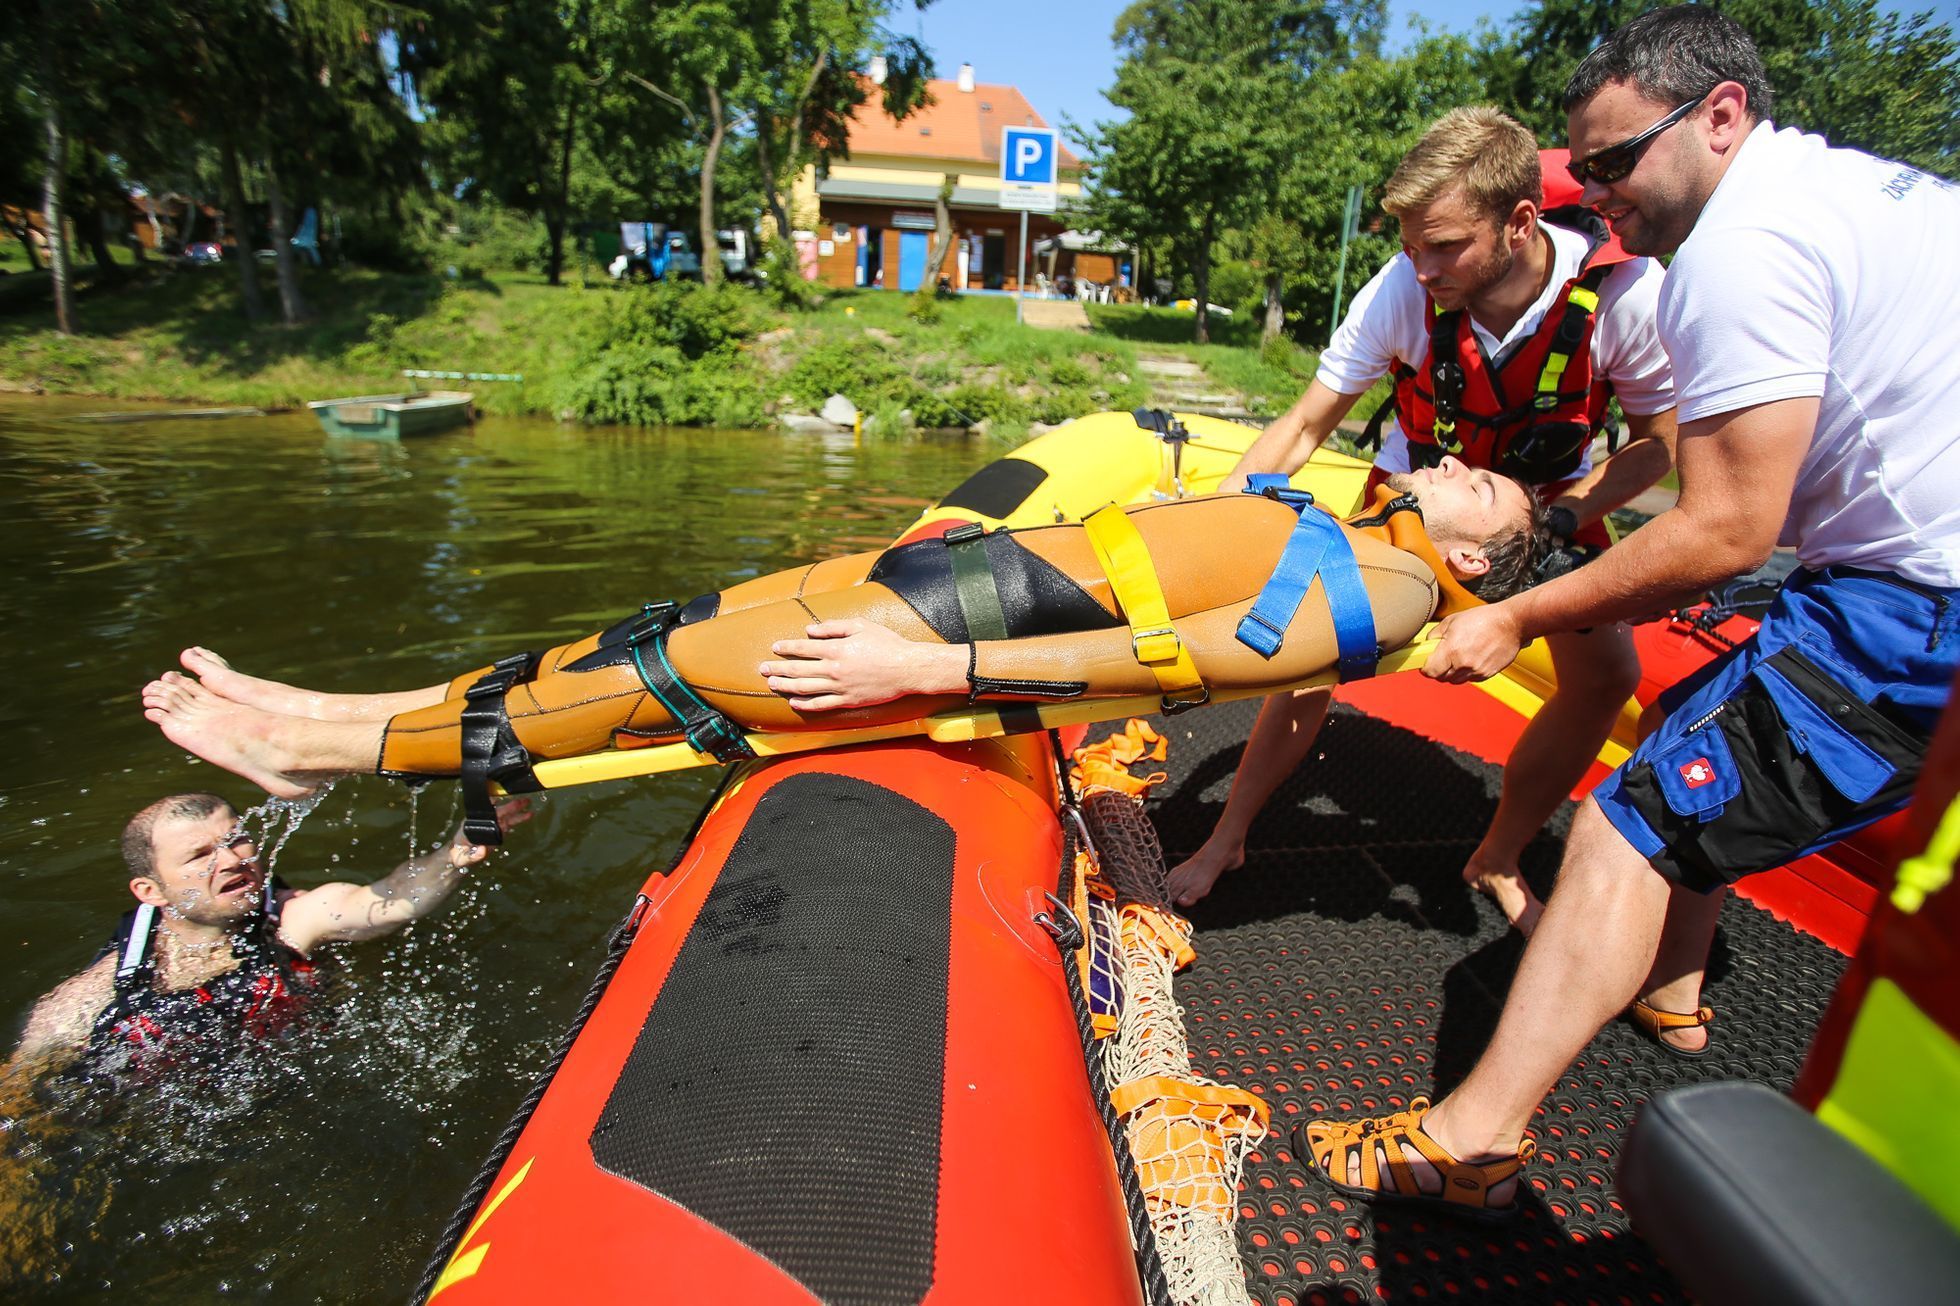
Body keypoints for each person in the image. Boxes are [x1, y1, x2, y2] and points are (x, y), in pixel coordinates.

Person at [1298, 6, 1960, 1220]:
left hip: (1911, 606)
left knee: (1627, 824)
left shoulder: (1730, 254)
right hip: (1887, 576)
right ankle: (1670, 987)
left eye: (1614, 161)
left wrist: (1520, 603)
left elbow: (1720, 525)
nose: (1595, 192)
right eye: (1583, 167)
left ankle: (1472, 1138)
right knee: (1692, 725)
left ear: (1719, 116)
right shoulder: (1856, 194)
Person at [135, 466, 1542, 820]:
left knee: (655, 686)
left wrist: (939, 671)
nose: (1473, 468)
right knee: (647, 635)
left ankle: (321, 756)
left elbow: (1181, 666)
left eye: (1495, 490)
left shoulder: (1398, 592)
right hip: (950, 576)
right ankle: (334, 707)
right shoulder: (1342, 511)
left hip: (973, 626)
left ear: (1479, 555)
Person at [1174, 106, 1680, 932]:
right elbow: (1304, 426)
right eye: (1410, 245)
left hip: (1552, 506)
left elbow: (1659, 448)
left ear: (1520, 223)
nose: (1421, 266)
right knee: (1314, 661)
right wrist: (1214, 514)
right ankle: (1228, 837)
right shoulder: (1402, 288)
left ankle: (1499, 855)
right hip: (1421, 500)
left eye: (1443, 245)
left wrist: (1565, 518)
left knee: (1609, 680)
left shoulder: (1627, 297)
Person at [5, 791, 529, 1081]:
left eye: (238, 840)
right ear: (151, 891)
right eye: (199, 856)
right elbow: (24, 1083)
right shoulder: (105, 986)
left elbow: (384, 901)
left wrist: (457, 852)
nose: (233, 860)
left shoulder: (295, 918)